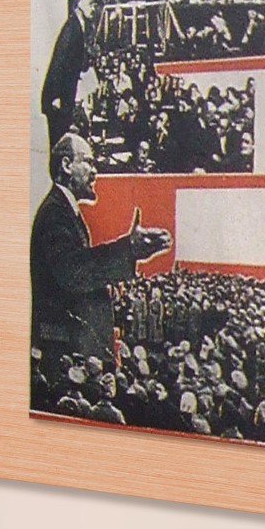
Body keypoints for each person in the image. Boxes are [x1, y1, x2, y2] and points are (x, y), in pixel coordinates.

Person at [30, 133, 173, 367]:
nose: (95, 171)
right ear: (66, 165)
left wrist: (130, 251)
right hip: (63, 355)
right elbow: (75, 273)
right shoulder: (55, 214)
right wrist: (129, 249)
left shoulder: (65, 212)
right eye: (88, 162)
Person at [40, 0, 96, 151]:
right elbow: (59, 62)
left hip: (66, 96)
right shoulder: (72, 28)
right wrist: (55, 96)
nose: (93, 8)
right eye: (90, 4)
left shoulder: (80, 27)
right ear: (79, 5)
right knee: (59, 144)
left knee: (63, 142)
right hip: (58, 98)